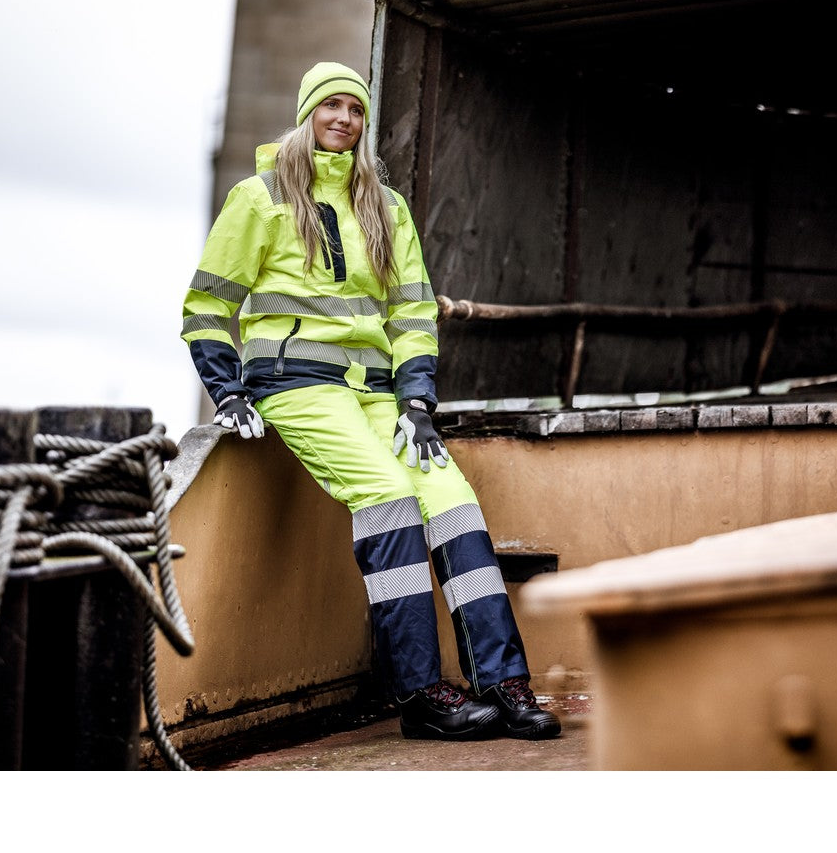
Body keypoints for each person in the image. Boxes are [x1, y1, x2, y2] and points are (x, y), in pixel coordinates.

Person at [181, 61, 560, 742]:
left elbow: (412, 314)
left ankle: (502, 681)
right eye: (331, 105)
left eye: (355, 109)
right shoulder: (259, 197)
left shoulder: (385, 207)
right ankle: (419, 695)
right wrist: (227, 388)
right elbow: (207, 305)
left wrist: (416, 401)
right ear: (307, 115)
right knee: (388, 495)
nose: (344, 119)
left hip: (378, 394)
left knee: (452, 500)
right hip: (297, 387)